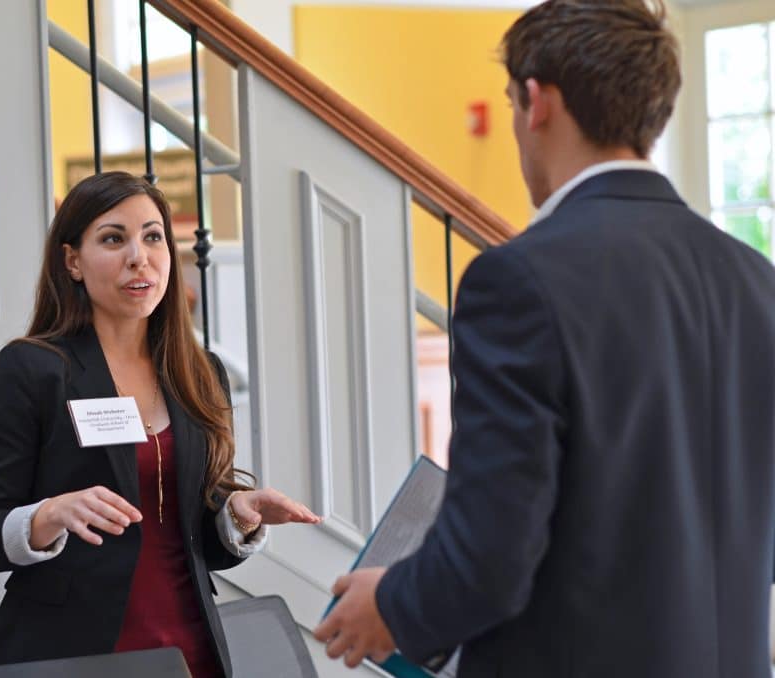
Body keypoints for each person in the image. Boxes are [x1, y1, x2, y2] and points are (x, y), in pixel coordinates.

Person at [315, 1, 775, 676]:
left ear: (537, 101)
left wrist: (390, 602)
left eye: (509, 104)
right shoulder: (756, 280)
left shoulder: (517, 281)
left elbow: (492, 557)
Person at [0, 171, 320, 678]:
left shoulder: (201, 373)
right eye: (114, 239)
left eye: (153, 237)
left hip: (187, 651)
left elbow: (199, 540)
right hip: (71, 656)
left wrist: (238, 514)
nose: (139, 256)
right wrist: (49, 514)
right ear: (73, 261)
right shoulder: (31, 370)